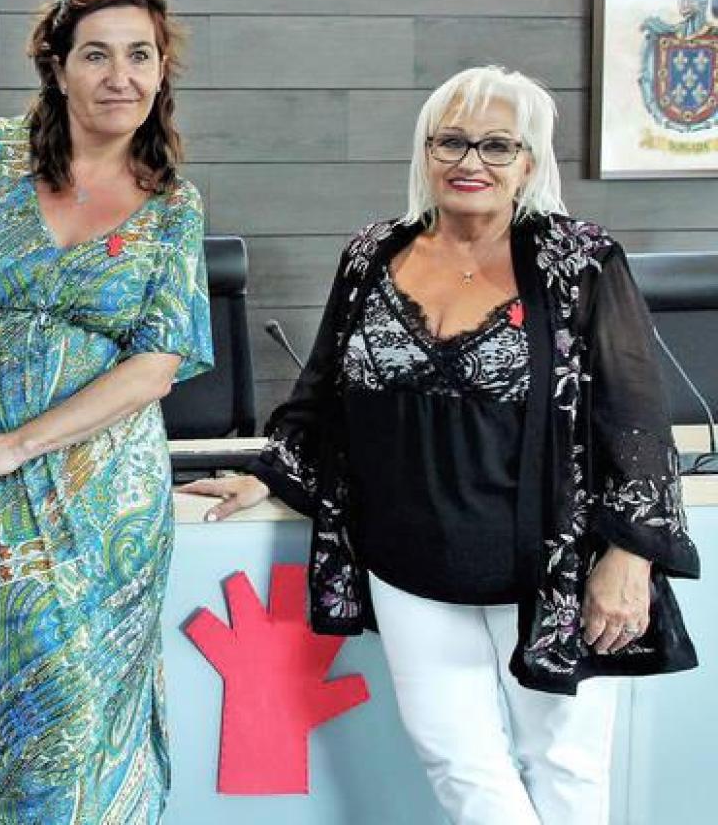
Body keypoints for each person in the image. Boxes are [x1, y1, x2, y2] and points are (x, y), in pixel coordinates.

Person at [185, 66, 700, 825]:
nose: (471, 162)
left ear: (530, 160)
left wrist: (630, 554)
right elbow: (323, 392)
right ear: (425, 151)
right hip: (410, 557)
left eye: (497, 145)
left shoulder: (580, 260)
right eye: (451, 140)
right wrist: (266, 475)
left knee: (564, 766)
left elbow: (634, 415)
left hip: (549, 560)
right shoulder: (372, 255)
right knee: (457, 763)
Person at [0, 0, 212, 822]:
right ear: (57, 67)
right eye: (96, 55)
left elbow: (158, 366)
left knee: (83, 720)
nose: (120, 76)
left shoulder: (173, 207)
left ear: (162, 70)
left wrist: (19, 443)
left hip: (106, 502)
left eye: (140, 56)